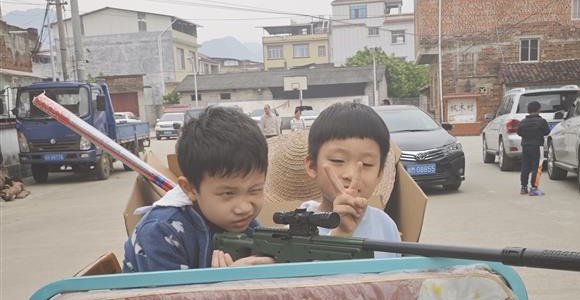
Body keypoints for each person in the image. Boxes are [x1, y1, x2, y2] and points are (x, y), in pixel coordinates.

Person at [123, 107, 273, 272]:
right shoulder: (160, 232)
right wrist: (226, 282)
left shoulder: (243, 221)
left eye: (255, 190)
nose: (244, 208)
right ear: (190, 189)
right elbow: (166, 290)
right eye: (228, 193)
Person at [302, 102, 400, 246]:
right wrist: (341, 233)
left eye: (366, 164)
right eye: (338, 160)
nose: (351, 175)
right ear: (312, 166)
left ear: (380, 173)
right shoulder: (297, 228)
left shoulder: (386, 226)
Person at [517, 100, 550, 196]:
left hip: (525, 146)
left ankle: (524, 187)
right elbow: (547, 132)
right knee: (537, 166)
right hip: (537, 146)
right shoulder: (542, 121)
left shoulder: (523, 122)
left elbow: (519, 132)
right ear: (539, 110)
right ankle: (534, 188)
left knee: (525, 166)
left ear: (528, 110)